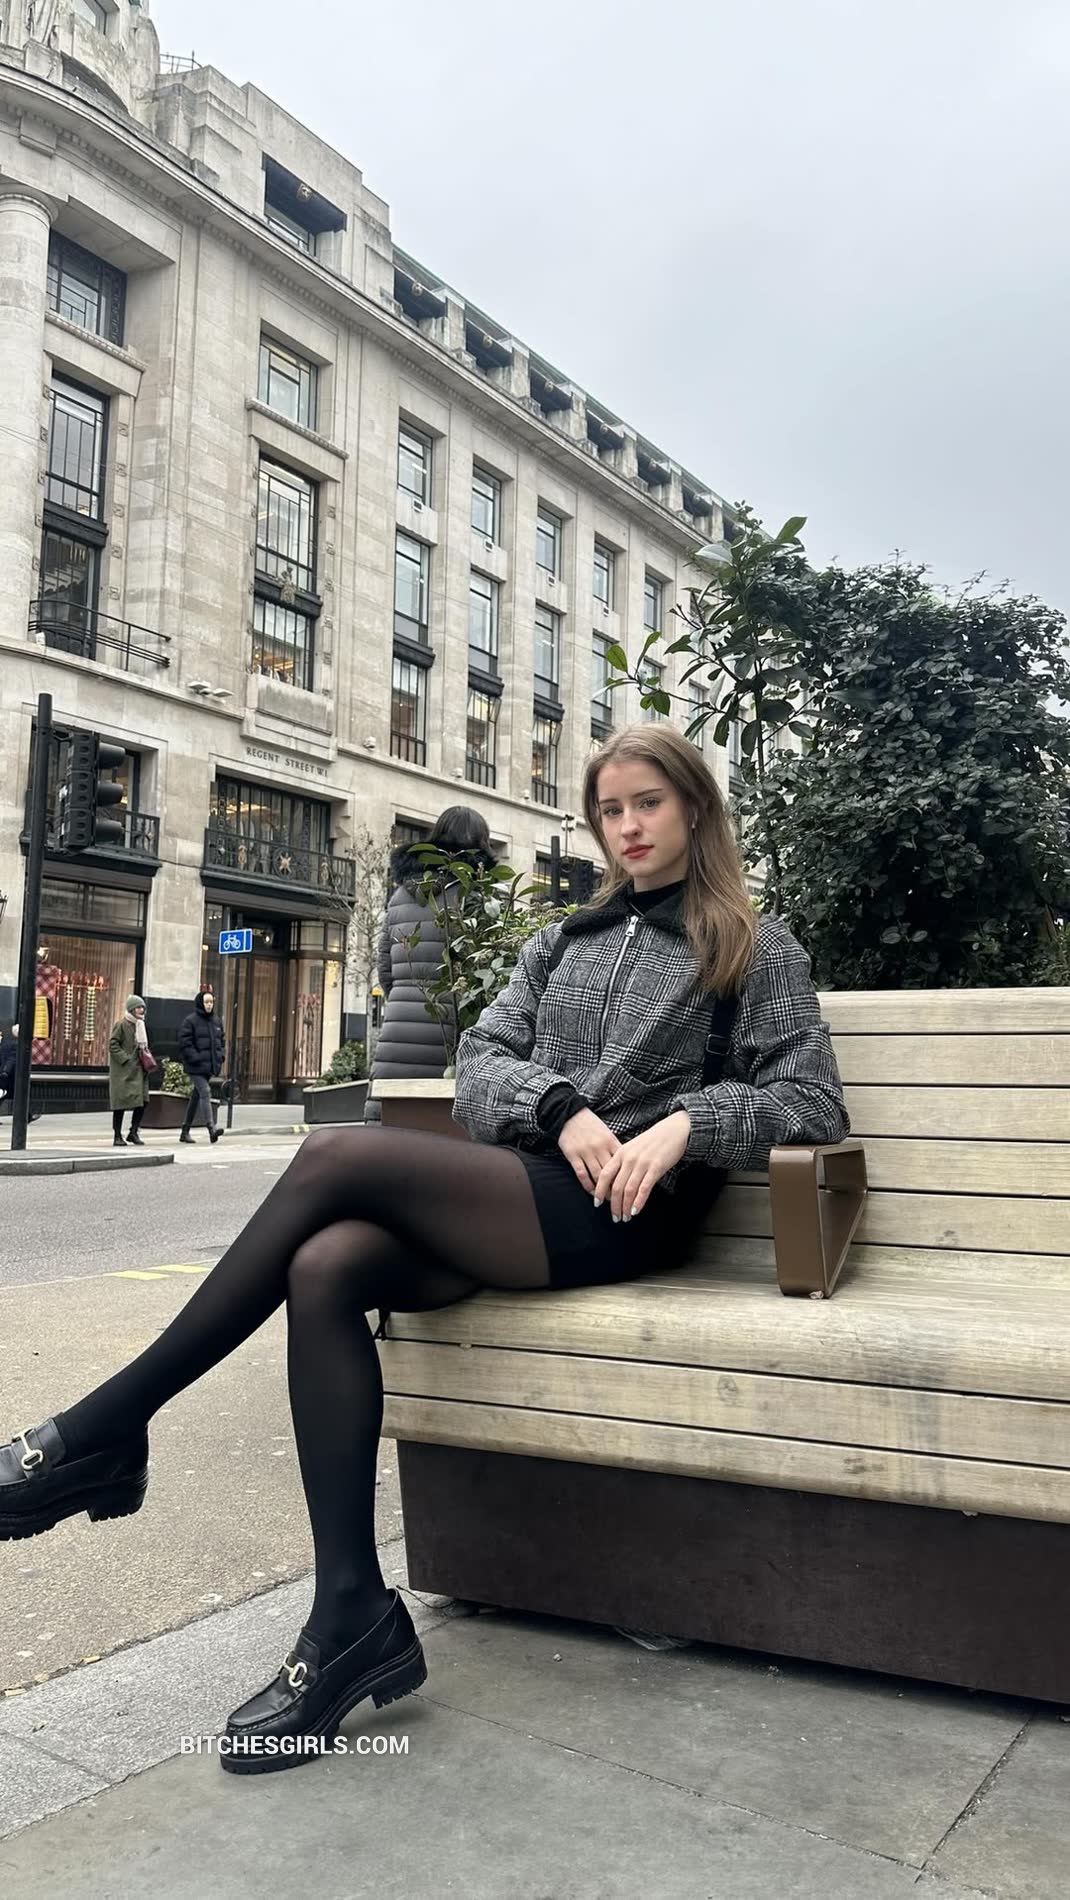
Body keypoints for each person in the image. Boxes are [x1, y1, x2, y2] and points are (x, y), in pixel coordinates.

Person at [0, 724, 849, 1774]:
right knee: (326, 1265)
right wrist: (559, 1105)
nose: (627, 827)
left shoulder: (751, 947)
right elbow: (482, 1061)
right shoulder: (564, 941)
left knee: (332, 1156)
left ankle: (107, 1427)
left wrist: (684, 1124)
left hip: (632, 1213)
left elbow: (809, 1099)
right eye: (610, 809)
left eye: (648, 803)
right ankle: (349, 1612)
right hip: (528, 1191)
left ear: (693, 809)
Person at [366, 805, 497, 1119]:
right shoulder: (477, 894)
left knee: (389, 1123)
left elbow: (385, 969)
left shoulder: (400, 895)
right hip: (451, 1033)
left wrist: (407, 998)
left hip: (397, 1031)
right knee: (443, 1132)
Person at [177, 987, 225, 1145]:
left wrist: (221, 1056)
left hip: (209, 1066)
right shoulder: (190, 1021)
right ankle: (211, 1128)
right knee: (205, 1091)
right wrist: (195, 1057)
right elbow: (185, 1042)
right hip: (195, 1066)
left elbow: (221, 1042)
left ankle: (185, 1131)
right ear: (200, 1003)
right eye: (206, 1002)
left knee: (196, 1097)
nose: (209, 1005)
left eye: (211, 1002)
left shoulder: (216, 1021)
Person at [108, 995, 151, 1146]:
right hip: (124, 1072)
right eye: (138, 1007)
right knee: (120, 1104)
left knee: (143, 1101)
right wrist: (125, 1059)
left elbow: (144, 1046)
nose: (141, 1010)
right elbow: (113, 1044)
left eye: (143, 1007)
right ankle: (117, 1135)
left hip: (139, 1070)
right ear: (131, 1009)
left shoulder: (141, 1025)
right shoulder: (121, 1025)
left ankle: (133, 1132)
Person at [0, 1023, 40, 1121]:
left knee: (5, 1095)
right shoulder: (18, 1045)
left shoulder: (6, 1043)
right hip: (13, 1075)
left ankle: (28, 1116)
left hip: (6, 1075)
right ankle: (27, 1117)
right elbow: (12, 1059)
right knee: (20, 1095)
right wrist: (6, 1071)